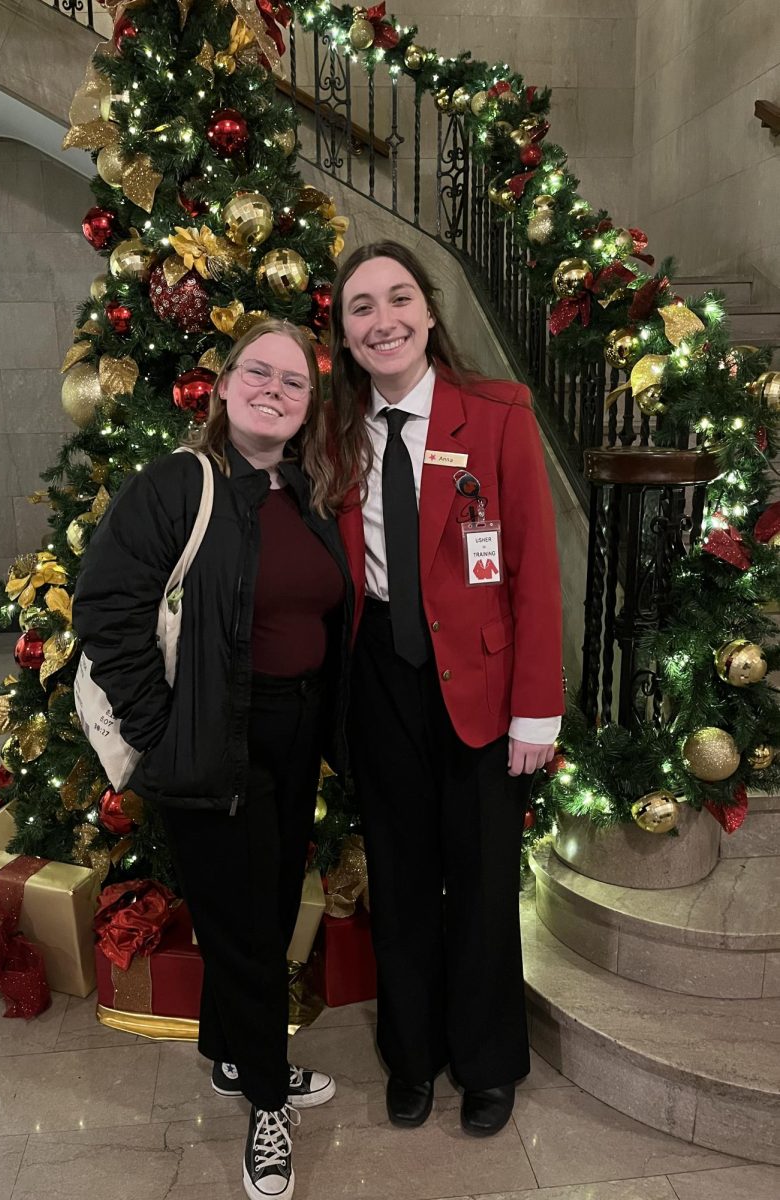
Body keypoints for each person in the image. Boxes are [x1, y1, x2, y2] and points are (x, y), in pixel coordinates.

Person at [73, 320, 353, 1200]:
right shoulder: (176, 485)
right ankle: (268, 1104)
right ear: (225, 387)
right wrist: (161, 732)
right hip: (212, 739)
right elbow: (107, 610)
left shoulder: (311, 490)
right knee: (244, 929)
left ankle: (232, 1054)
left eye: (295, 381)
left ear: (310, 406)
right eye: (258, 373)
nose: (276, 388)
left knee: (266, 906)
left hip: (294, 735)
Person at [329, 241, 563, 1137]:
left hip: (484, 685)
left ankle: (489, 1061)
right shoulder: (337, 432)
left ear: (428, 313)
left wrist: (537, 707)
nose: (382, 320)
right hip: (378, 683)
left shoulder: (497, 415)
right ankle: (412, 1056)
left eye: (398, 300)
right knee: (399, 878)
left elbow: (536, 572)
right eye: (361, 308)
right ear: (346, 337)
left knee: (479, 881)